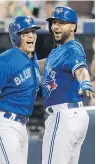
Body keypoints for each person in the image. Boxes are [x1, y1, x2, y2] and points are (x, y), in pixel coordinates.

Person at [39, 6, 95, 164]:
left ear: (73, 27)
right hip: (73, 115)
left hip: (62, 116)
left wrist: (84, 82)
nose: (55, 26)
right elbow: (48, 64)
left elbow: (81, 69)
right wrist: (27, 66)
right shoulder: (58, 50)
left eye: (61, 23)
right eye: (54, 22)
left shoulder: (72, 49)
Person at [0, 16, 41, 164]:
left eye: (33, 32)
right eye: (25, 33)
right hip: (2, 123)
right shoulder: (5, 60)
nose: (31, 36)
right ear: (16, 37)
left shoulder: (32, 58)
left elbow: (37, 66)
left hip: (21, 125)